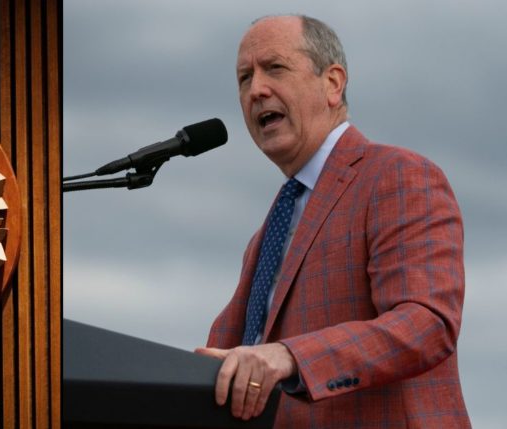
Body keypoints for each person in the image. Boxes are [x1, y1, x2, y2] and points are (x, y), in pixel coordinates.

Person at [194, 15, 471, 428]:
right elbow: (231, 358)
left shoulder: (397, 175)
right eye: (244, 78)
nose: (256, 90)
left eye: (275, 68)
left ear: (333, 83)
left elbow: (426, 323)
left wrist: (289, 356)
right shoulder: (266, 234)